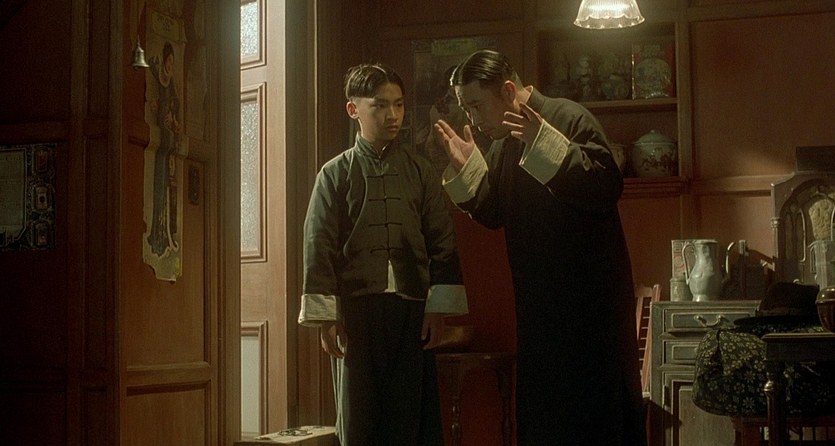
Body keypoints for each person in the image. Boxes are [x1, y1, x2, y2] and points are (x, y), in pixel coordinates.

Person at [434, 49, 646, 445]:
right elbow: (494, 212)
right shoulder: (503, 143)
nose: (473, 120)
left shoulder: (570, 117)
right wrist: (469, 169)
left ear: (508, 90)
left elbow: (606, 185)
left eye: (477, 106)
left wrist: (543, 142)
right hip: (538, 313)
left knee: (596, 421)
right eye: (467, 109)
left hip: (591, 313)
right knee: (546, 420)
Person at [298, 63, 468, 446]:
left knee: (409, 417)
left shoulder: (421, 172)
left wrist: (437, 309)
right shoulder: (334, 174)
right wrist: (327, 318)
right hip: (356, 313)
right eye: (379, 105)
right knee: (359, 417)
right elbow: (319, 244)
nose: (393, 115)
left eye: (399, 105)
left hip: (412, 312)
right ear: (353, 109)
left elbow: (442, 240)